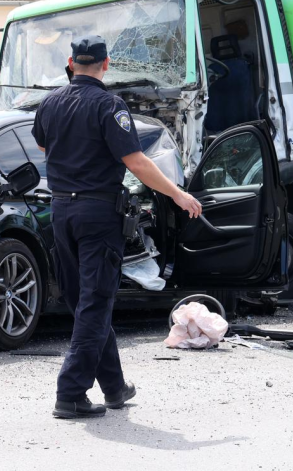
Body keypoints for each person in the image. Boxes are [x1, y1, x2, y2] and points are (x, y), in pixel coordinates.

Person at [32, 34, 203, 419]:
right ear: (106, 65)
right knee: (95, 303)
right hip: (96, 213)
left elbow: (45, 146)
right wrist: (178, 195)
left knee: (86, 302)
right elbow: (137, 162)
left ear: (71, 63)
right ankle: (70, 393)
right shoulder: (109, 105)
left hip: (61, 211)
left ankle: (113, 387)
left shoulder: (50, 103)